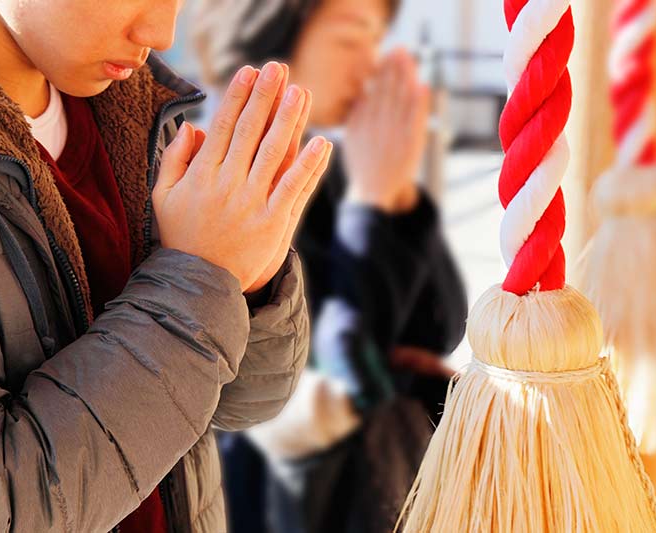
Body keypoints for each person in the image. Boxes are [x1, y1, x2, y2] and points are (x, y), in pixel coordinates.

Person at [0, 0, 332, 531]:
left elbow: (243, 404)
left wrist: (250, 279)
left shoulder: (138, 110)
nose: (160, 31)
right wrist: (198, 277)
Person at [192, 0, 468, 531]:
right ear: (271, 30)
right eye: (350, 39)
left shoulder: (324, 166)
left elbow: (441, 327)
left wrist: (397, 197)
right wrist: (373, 205)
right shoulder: (218, 177)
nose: (370, 64)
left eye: (375, 40)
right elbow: (333, 371)